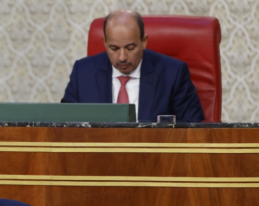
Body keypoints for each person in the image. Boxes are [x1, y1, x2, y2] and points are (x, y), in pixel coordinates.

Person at [62, 10, 205, 122]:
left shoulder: (173, 74)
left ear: (144, 41)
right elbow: (64, 125)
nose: (122, 57)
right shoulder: (83, 73)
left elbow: (192, 128)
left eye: (130, 48)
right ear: (105, 43)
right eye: (114, 48)